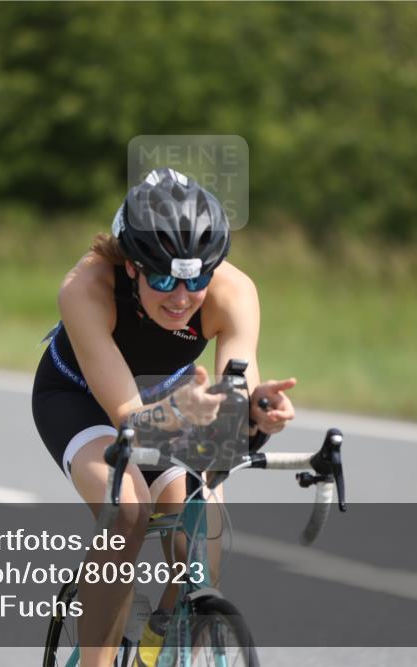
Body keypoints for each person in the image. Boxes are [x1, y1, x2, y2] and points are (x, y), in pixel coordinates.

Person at [32, 167, 296, 667]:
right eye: (162, 279)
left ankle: (161, 641)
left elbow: (235, 391)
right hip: (82, 399)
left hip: (175, 396)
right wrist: (178, 412)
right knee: (128, 510)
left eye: (196, 278)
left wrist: (258, 411)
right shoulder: (85, 287)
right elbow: (127, 417)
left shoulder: (233, 293)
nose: (180, 297)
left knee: (201, 525)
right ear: (131, 266)